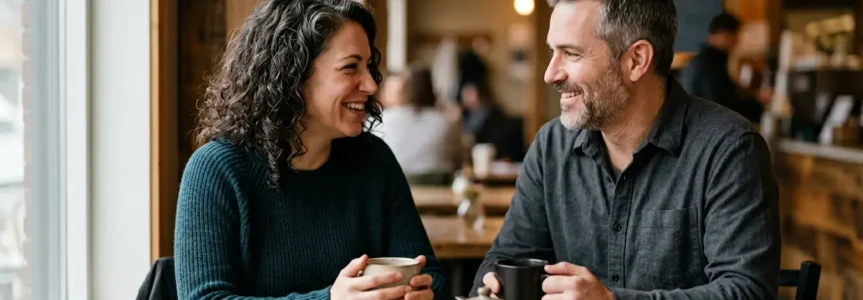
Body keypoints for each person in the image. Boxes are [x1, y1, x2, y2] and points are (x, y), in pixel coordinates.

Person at [470, 0, 780, 299]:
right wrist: (496, 287)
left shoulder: (728, 149)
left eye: (571, 54)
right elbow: (506, 258)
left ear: (636, 60)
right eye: (553, 52)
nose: (551, 74)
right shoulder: (551, 147)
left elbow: (747, 291)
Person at [173, 1, 447, 299]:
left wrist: (422, 291)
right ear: (293, 74)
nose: (370, 84)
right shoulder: (217, 170)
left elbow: (429, 273)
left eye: (368, 66)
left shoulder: (374, 160)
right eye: (350, 67)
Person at [378, 65, 463, 185]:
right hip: (440, 195)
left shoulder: (382, 120)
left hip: (392, 196)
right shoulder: (446, 122)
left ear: (403, 91)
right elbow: (460, 160)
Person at [679, 12, 770, 123]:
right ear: (723, 34)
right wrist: (757, 105)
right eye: (735, 36)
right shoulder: (710, 62)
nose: (737, 41)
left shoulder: (705, 59)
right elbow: (722, 104)